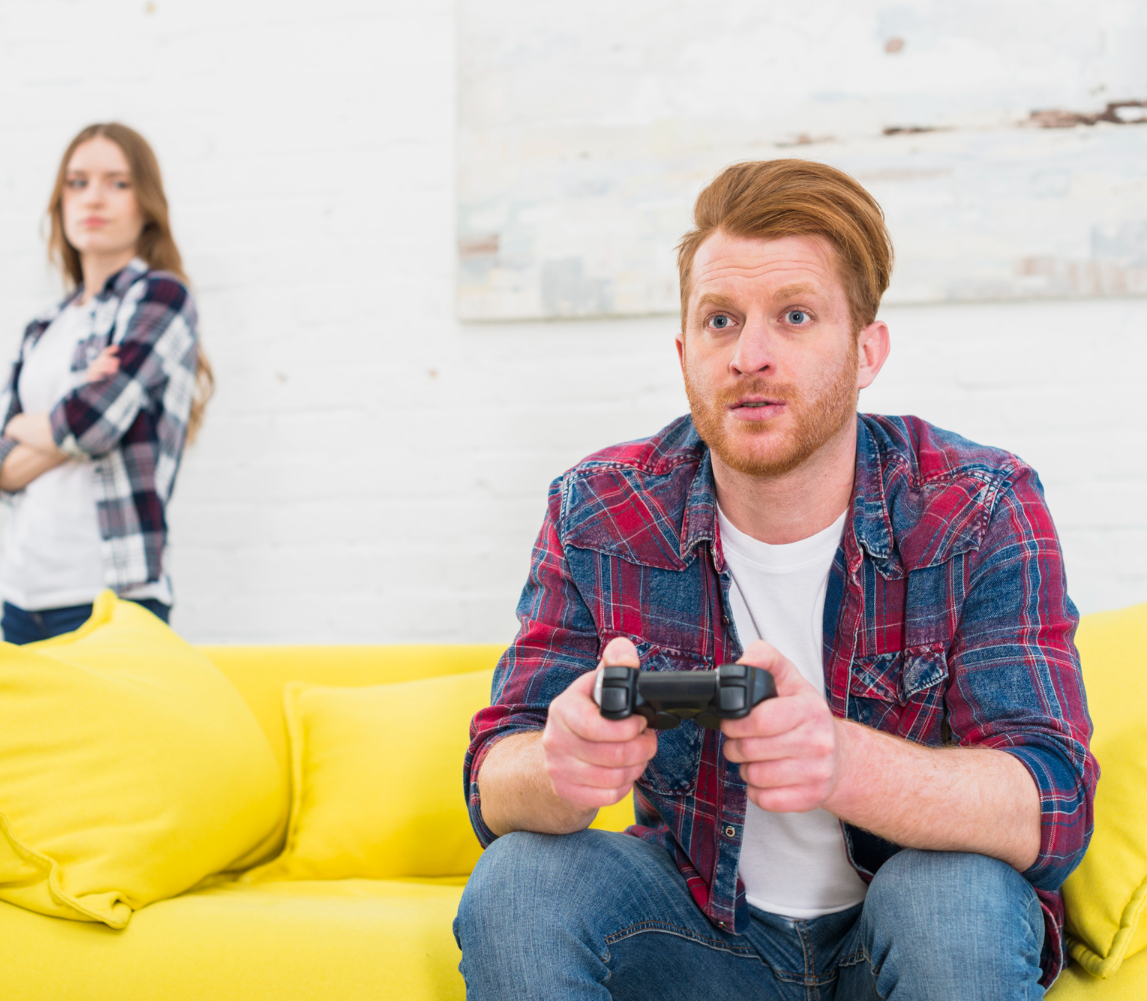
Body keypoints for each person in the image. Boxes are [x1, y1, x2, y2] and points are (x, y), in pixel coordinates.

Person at [456, 159, 1097, 1000]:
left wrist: (841, 764)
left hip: (900, 931)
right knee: (518, 878)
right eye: (721, 321)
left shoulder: (977, 505)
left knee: (951, 894)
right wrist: (555, 765)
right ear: (686, 353)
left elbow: (1054, 803)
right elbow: (491, 781)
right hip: (698, 939)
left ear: (867, 349)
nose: (749, 356)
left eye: (794, 316)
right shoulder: (599, 510)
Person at [0, 123, 212, 644]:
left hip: (113, 598)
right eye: (77, 183)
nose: (94, 198)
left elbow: (92, 426)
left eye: (117, 183)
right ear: (59, 201)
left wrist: (27, 425)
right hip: (22, 599)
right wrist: (71, 412)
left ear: (146, 203)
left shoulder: (160, 298)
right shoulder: (44, 326)